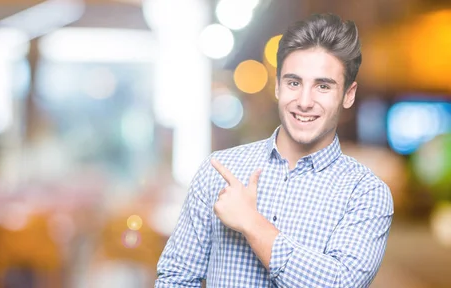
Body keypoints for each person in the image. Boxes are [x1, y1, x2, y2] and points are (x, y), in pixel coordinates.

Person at [155, 13, 394, 288]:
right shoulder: (219, 171)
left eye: (323, 86)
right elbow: (176, 278)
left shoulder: (366, 194)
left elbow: (341, 283)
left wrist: (251, 222)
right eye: (294, 83)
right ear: (278, 85)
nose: (305, 101)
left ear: (348, 95)